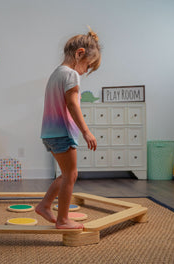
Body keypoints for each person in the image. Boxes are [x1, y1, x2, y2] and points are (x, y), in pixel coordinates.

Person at [36, 28, 101, 229]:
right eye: (87, 66)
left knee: (65, 174)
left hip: (50, 132)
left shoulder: (57, 72)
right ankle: (63, 220)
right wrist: (86, 131)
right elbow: (73, 105)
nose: (85, 71)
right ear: (79, 53)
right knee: (71, 174)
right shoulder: (72, 74)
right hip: (62, 132)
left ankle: (45, 206)